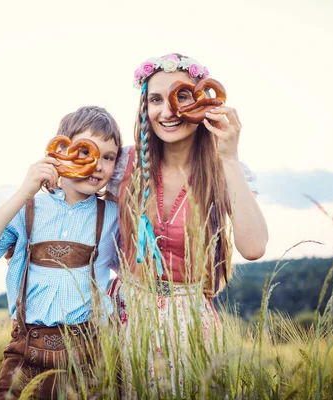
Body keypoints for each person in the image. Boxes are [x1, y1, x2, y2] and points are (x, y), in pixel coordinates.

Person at [107, 53, 269, 396]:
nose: (167, 111)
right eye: (155, 99)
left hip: (188, 322)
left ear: (203, 103)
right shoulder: (123, 163)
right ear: (144, 107)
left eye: (181, 96)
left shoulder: (224, 168)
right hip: (123, 315)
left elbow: (254, 248)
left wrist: (229, 155)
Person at [0, 106, 122, 399]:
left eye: (108, 157)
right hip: (25, 352)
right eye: (86, 152)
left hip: (89, 353)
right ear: (60, 151)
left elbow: (143, 265)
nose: (97, 164)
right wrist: (23, 193)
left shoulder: (113, 215)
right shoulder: (28, 209)